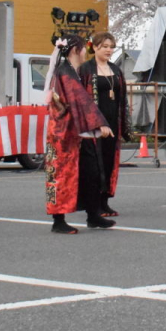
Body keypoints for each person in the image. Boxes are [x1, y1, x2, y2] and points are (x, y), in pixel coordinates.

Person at [44, 34, 114, 234]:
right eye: (83, 48)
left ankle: (93, 214)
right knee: (61, 176)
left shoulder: (72, 71)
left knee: (90, 172)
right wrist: (99, 123)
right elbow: (81, 101)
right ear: (76, 50)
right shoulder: (65, 73)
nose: (85, 52)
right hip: (63, 133)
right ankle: (58, 220)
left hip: (76, 132)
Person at [78, 32, 131, 219]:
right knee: (95, 164)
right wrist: (93, 122)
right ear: (95, 47)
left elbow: (123, 99)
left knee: (109, 161)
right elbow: (82, 99)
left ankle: (104, 201)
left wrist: (125, 125)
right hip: (94, 124)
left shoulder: (116, 70)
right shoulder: (86, 69)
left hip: (113, 121)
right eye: (105, 46)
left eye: (111, 47)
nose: (109, 50)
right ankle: (93, 203)